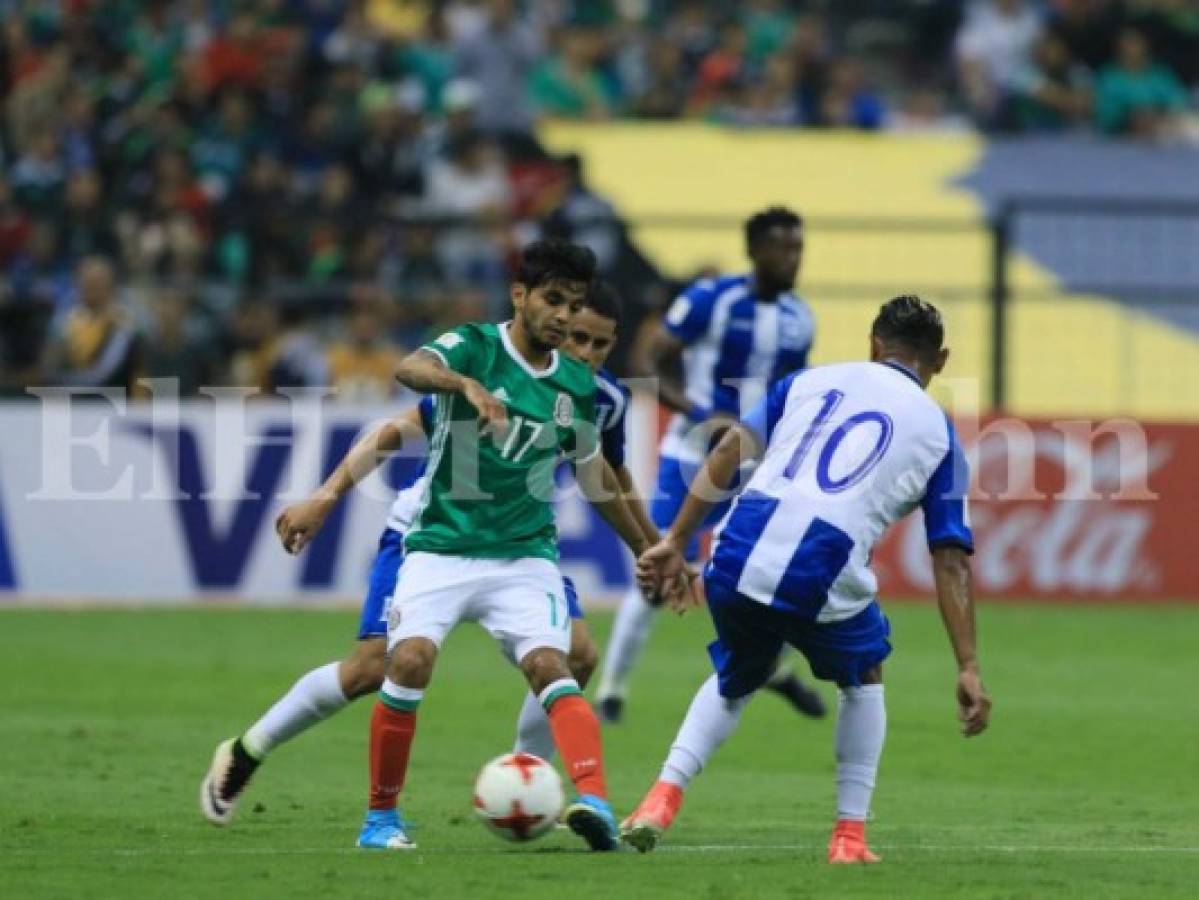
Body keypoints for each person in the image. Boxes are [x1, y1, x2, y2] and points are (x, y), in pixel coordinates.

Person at [199, 278, 654, 829]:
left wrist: (655, 549)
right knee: (372, 670)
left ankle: (528, 785)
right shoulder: (490, 364)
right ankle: (248, 750)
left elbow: (610, 476)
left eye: (599, 344)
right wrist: (324, 497)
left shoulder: (596, 396)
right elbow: (395, 429)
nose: (584, 352)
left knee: (576, 655)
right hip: (428, 532)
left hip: (517, 544)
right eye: (577, 336)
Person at [622, 295, 992, 864]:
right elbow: (950, 558)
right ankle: (849, 836)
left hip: (737, 551)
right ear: (938, 362)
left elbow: (727, 451)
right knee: (864, 673)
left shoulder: (809, 381)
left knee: (737, 674)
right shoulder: (939, 434)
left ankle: (660, 797)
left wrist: (674, 540)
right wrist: (967, 664)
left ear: (873, 344)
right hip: (822, 562)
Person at [360, 241, 652, 852]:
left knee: (555, 662)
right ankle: (381, 819)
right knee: (408, 660)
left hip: (522, 557)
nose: (564, 317)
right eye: (552, 299)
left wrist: (644, 549)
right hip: (440, 545)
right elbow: (409, 368)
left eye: (573, 305)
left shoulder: (576, 383)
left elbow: (595, 478)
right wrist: (461, 383)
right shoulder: (474, 345)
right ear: (520, 296)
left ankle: (594, 803)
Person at [595, 206, 823, 724]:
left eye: (798, 248)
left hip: (760, 466)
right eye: (782, 247)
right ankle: (611, 689)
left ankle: (773, 669)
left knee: (785, 575)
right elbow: (647, 360)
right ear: (755, 250)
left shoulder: (800, 317)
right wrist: (701, 414)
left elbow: (797, 390)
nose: (792, 258)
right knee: (657, 566)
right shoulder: (709, 300)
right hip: (692, 453)